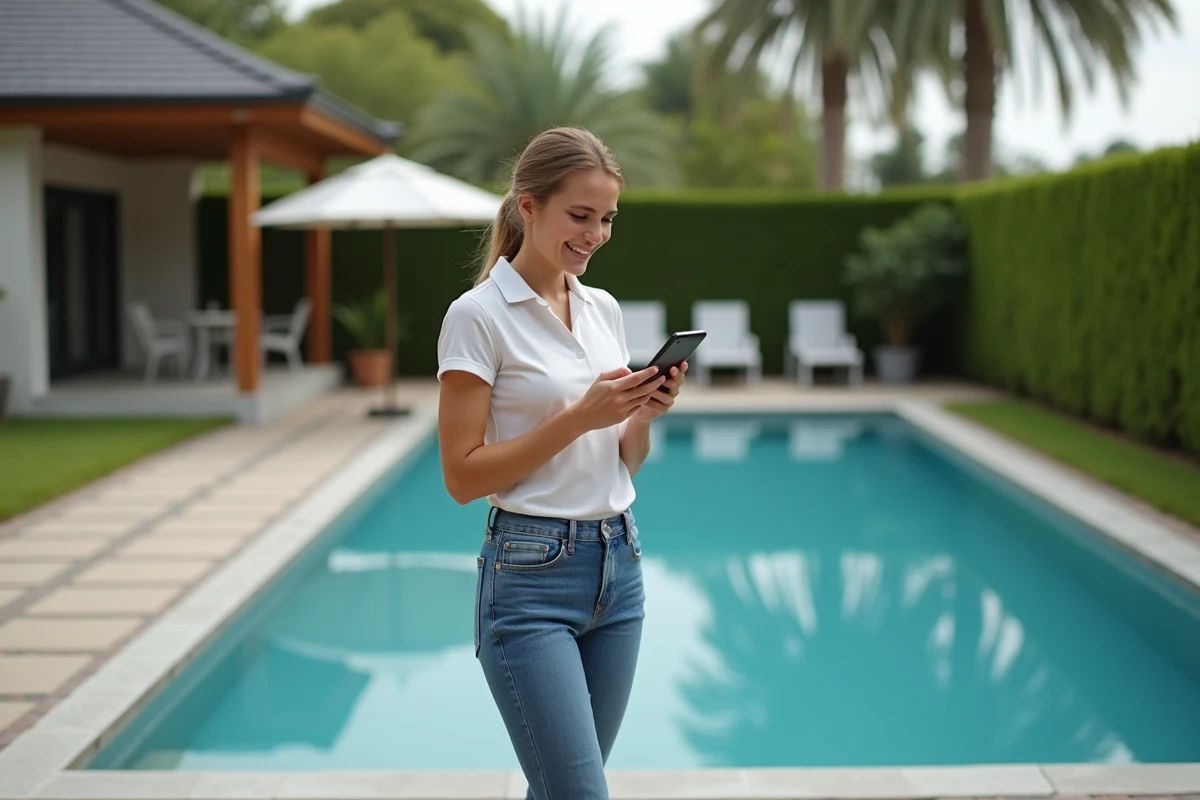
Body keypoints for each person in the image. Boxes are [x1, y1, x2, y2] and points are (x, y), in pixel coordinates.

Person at [435, 126, 687, 799]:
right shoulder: (478, 316)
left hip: (618, 567)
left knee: (560, 789)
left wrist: (643, 414)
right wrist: (578, 417)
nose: (595, 234)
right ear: (529, 207)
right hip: (529, 581)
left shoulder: (601, 307)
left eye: (606, 219)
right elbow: (461, 476)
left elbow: (622, 462)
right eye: (580, 216)